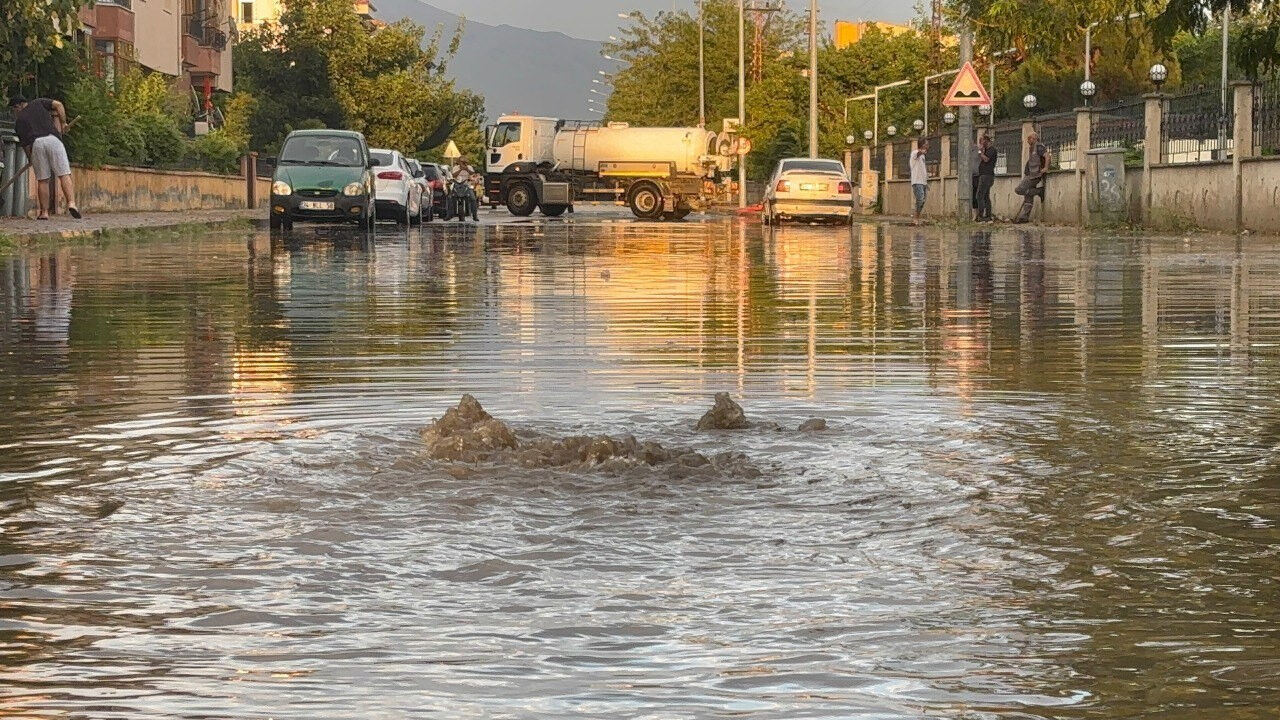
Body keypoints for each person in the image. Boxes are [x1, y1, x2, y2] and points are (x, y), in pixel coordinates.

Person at [9, 96, 81, 221]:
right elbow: (58, 105)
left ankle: (44, 212)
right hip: (53, 139)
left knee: (43, 180)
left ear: (18, 106)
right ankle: (71, 203)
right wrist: (63, 123)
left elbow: (26, 146)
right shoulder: (38, 103)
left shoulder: (19, 121)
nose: (14, 112)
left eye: (14, 109)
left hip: (37, 144)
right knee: (64, 174)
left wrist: (31, 159)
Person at [1014, 131, 1050, 224]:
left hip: (1034, 175)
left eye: (1029, 138)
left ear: (1033, 138)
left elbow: (1047, 156)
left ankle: (1039, 191)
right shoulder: (1032, 148)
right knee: (1028, 197)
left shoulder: (1039, 146)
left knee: (1019, 190)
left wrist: (1045, 168)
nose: (1027, 140)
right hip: (1031, 174)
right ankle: (1024, 217)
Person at [975, 133, 997, 222]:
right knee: (985, 196)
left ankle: (981, 216)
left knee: (979, 195)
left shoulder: (992, 150)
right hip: (985, 175)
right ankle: (987, 215)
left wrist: (980, 152)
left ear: (986, 140)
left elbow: (986, 159)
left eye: (981, 140)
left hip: (986, 176)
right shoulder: (987, 150)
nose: (980, 142)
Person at [909, 137, 929, 225]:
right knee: (920, 199)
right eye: (927, 144)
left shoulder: (923, 156)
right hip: (917, 181)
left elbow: (923, 169)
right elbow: (917, 154)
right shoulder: (915, 153)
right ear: (923, 145)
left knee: (923, 200)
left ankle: (917, 216)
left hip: (923, 182)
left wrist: (926, 182)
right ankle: (915, 217)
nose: (928, 146)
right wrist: (921, 152)